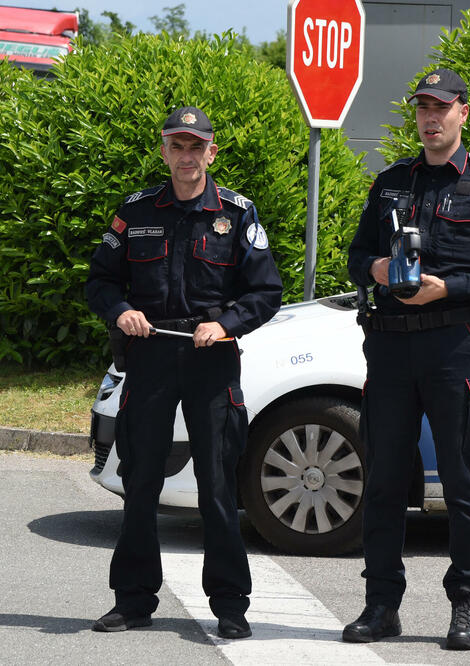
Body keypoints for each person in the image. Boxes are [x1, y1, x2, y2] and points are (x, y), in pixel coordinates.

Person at [344, 69, 470, 650]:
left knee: (462, 483)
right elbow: (357, 255)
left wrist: (448, 288)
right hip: (393, 347)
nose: (430, 118)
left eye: (441, 108)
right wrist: (375, 269)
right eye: (423, 107)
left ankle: (467, 605)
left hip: (454, 348)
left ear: (463, 113)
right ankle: (380, 606)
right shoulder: (392, 182)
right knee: (384, 483)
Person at [85, 106, 282, 639]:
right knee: (140, 481)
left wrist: (226, 326)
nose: (187, 156)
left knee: (217, 486)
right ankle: (132, 601)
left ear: (210, 152)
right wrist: (119, 312)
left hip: (210, 359)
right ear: (165, 150)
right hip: (149, 358)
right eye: (177, 145)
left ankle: (230, 606)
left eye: (196, 147)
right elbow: (100, 281)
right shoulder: (136, 211)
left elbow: (265, 292)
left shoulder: (237, 214)